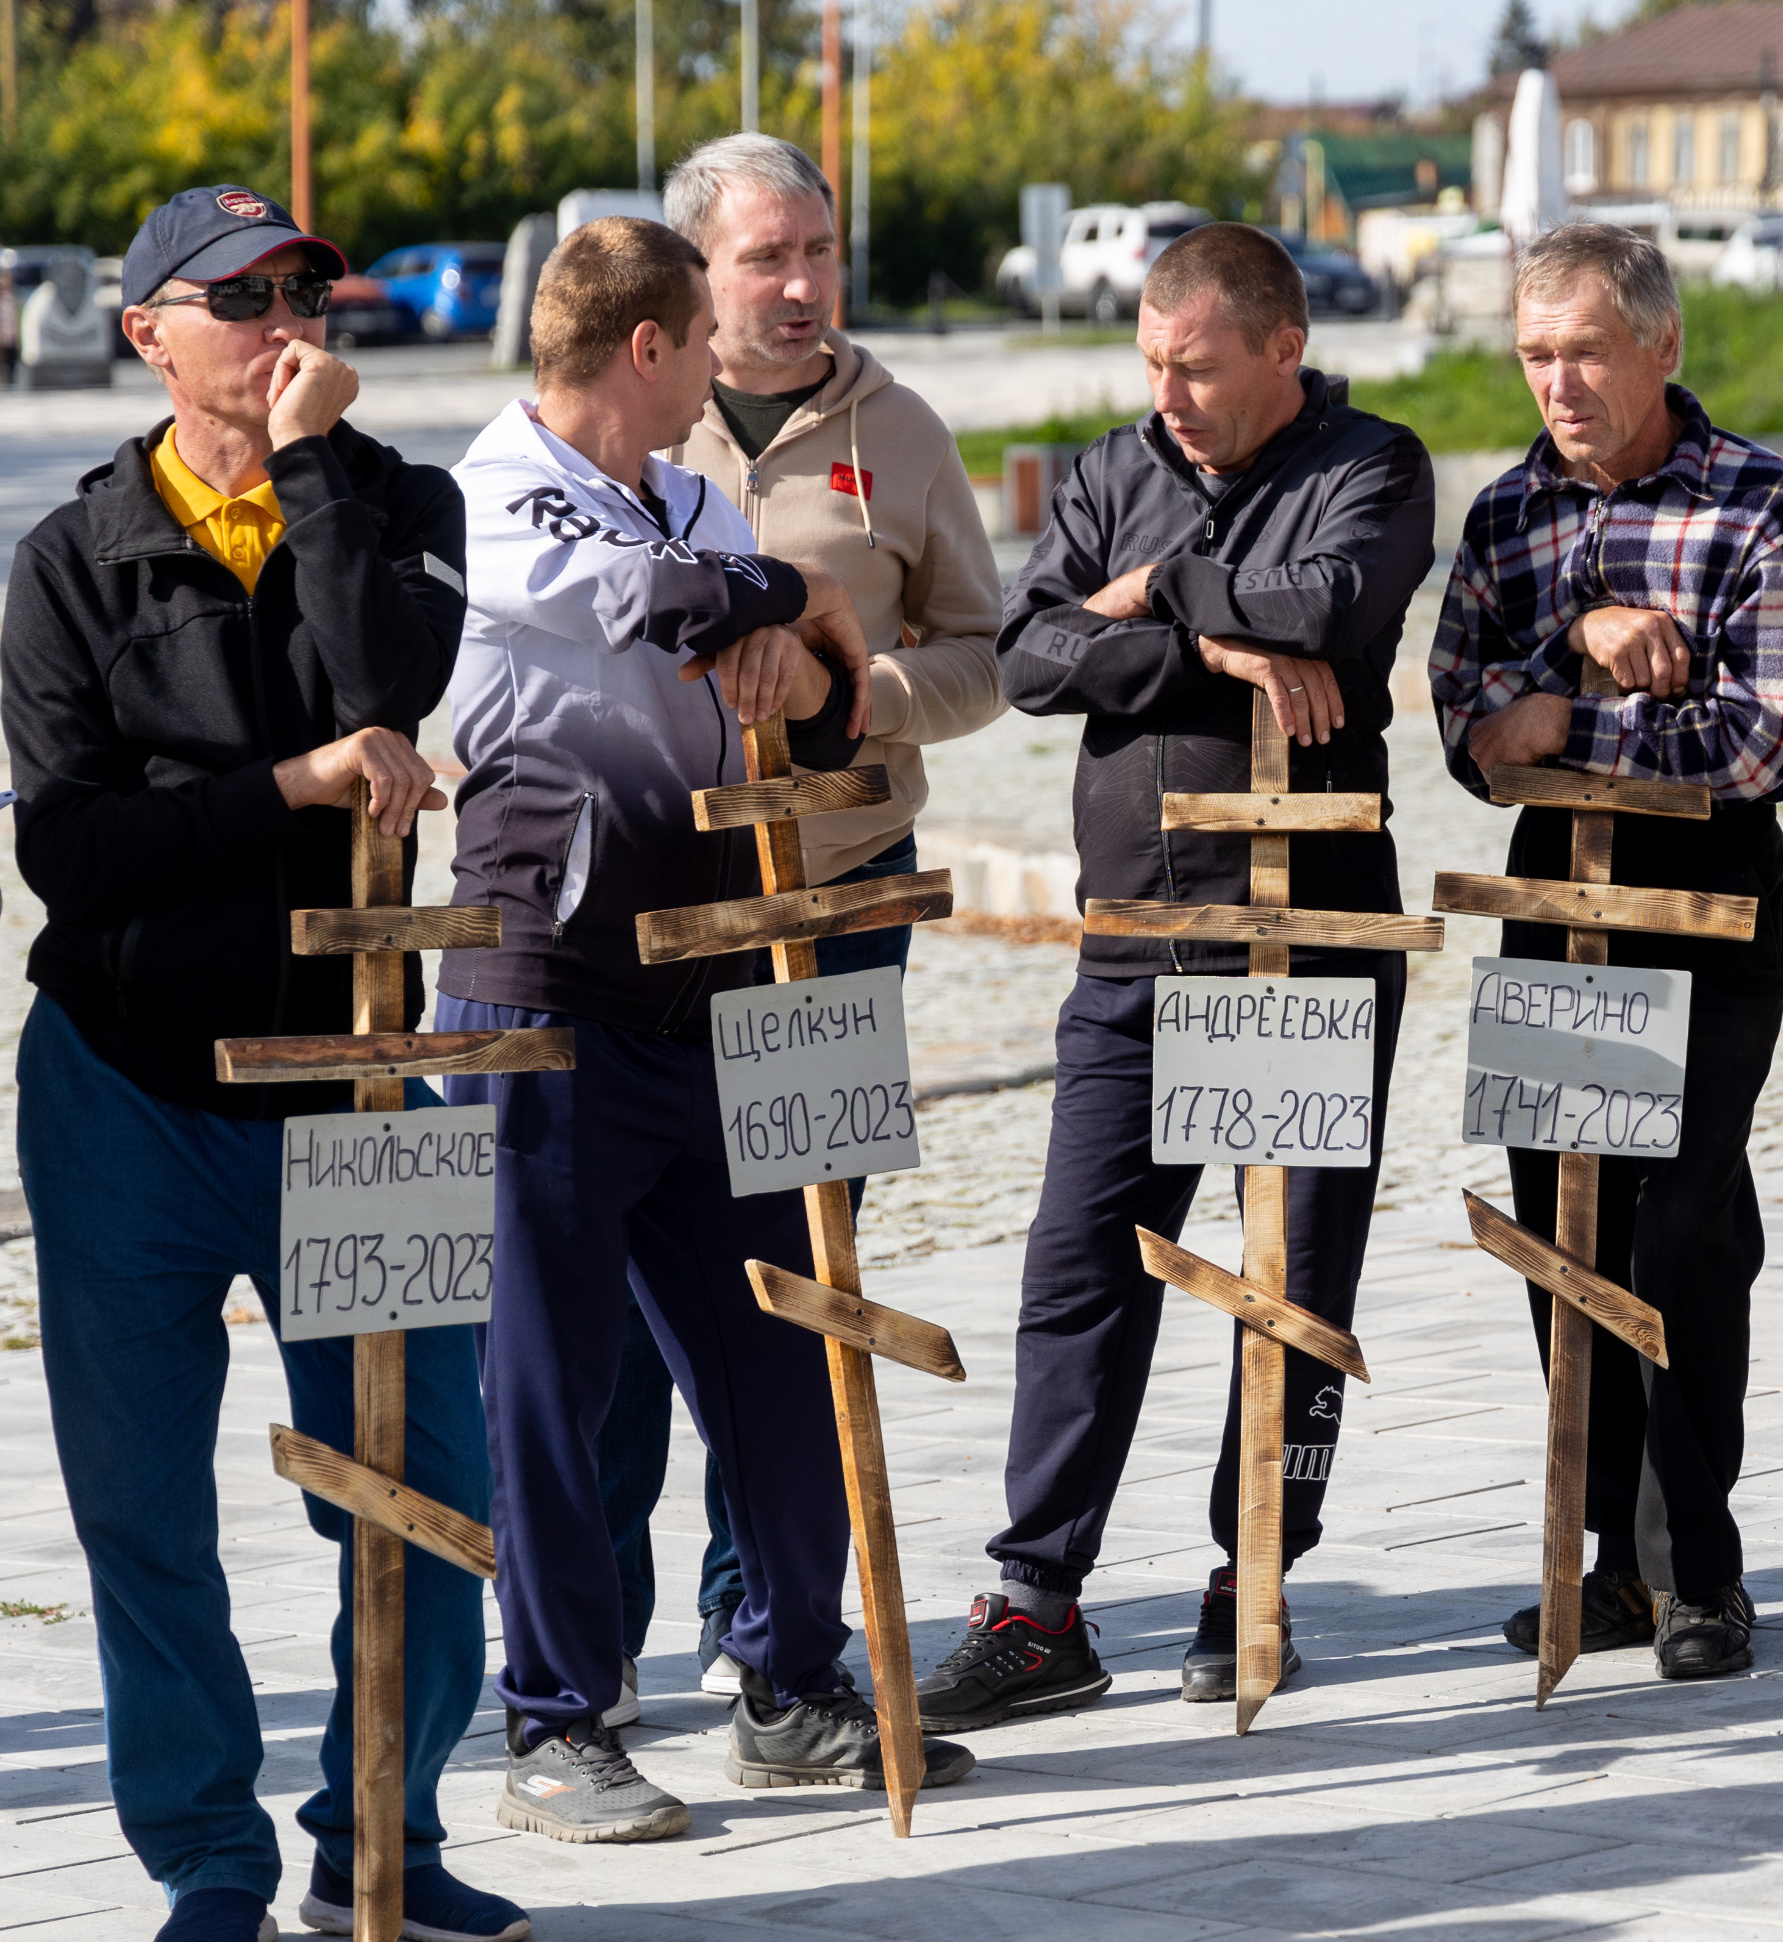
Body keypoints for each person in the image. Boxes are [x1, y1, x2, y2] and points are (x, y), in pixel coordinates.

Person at [3, 184, 529, 1942]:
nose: (292, 316)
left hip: (370, 1090)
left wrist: (311, 479)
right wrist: (289, 792)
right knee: (140, 1499)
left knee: (427, 1475)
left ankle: (387, 1827)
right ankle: (203, 1852)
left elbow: (392, 682)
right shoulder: (69, 559)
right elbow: (74, 852)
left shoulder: (409, 506)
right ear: (150, 333)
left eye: (310, 284)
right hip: (125, 1085)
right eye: (244, 295)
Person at [439, 216, 975, 1838]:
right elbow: (651, 598)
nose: (707, 395)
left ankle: (794, 1681)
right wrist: (789, 586)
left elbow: (814, 669)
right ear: (650, 347)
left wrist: (792, 621)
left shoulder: (685, 488)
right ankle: (555, 1721)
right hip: (544, 991)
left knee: (783, 1341)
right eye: (694, 358)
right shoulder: (498, 485)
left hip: (732, 980)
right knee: (549, 1378)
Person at [935, 222, 1433, 1719]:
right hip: (1135, 938)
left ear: (1284, 350)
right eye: (1153, 363)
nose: (1172, 395)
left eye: (1200, 367)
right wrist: (1209, 644)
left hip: (1301, 944)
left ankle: (1255, 1575)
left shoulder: (1377, 462)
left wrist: (1148, 598)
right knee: (1079, 1264)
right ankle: (1039, 1603)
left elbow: (1335, 610)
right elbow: (1027, 659)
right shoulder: (1107, 468)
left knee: (1288, 1281)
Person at [588, 133, 1009, 1710]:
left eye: (819, 252)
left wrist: (858, 695)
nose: (802, 285)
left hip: (836, 907)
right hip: (651, 918)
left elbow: (988, 651)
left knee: (800, 1260)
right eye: (767, 258)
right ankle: (597, 1629)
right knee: (628, 1287)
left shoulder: (899, 431)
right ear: (692, 278)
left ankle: (769, 1622)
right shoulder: (623, 418)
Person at [1430, 222, 1783, 1679]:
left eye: (1587, 348)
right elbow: (1467, 720)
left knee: (1679, 1230)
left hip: (1707, 894)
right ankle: (1603, 1561)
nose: (1560, 381)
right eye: (1537, 354)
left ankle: (1699, 1569)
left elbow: (1760, 744)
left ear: (1661, 344)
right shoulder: (1507, 517)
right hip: (1559, 903)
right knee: (1561, 1236)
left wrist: (1569, 717)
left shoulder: (1762, 506)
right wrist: (1572, 648)